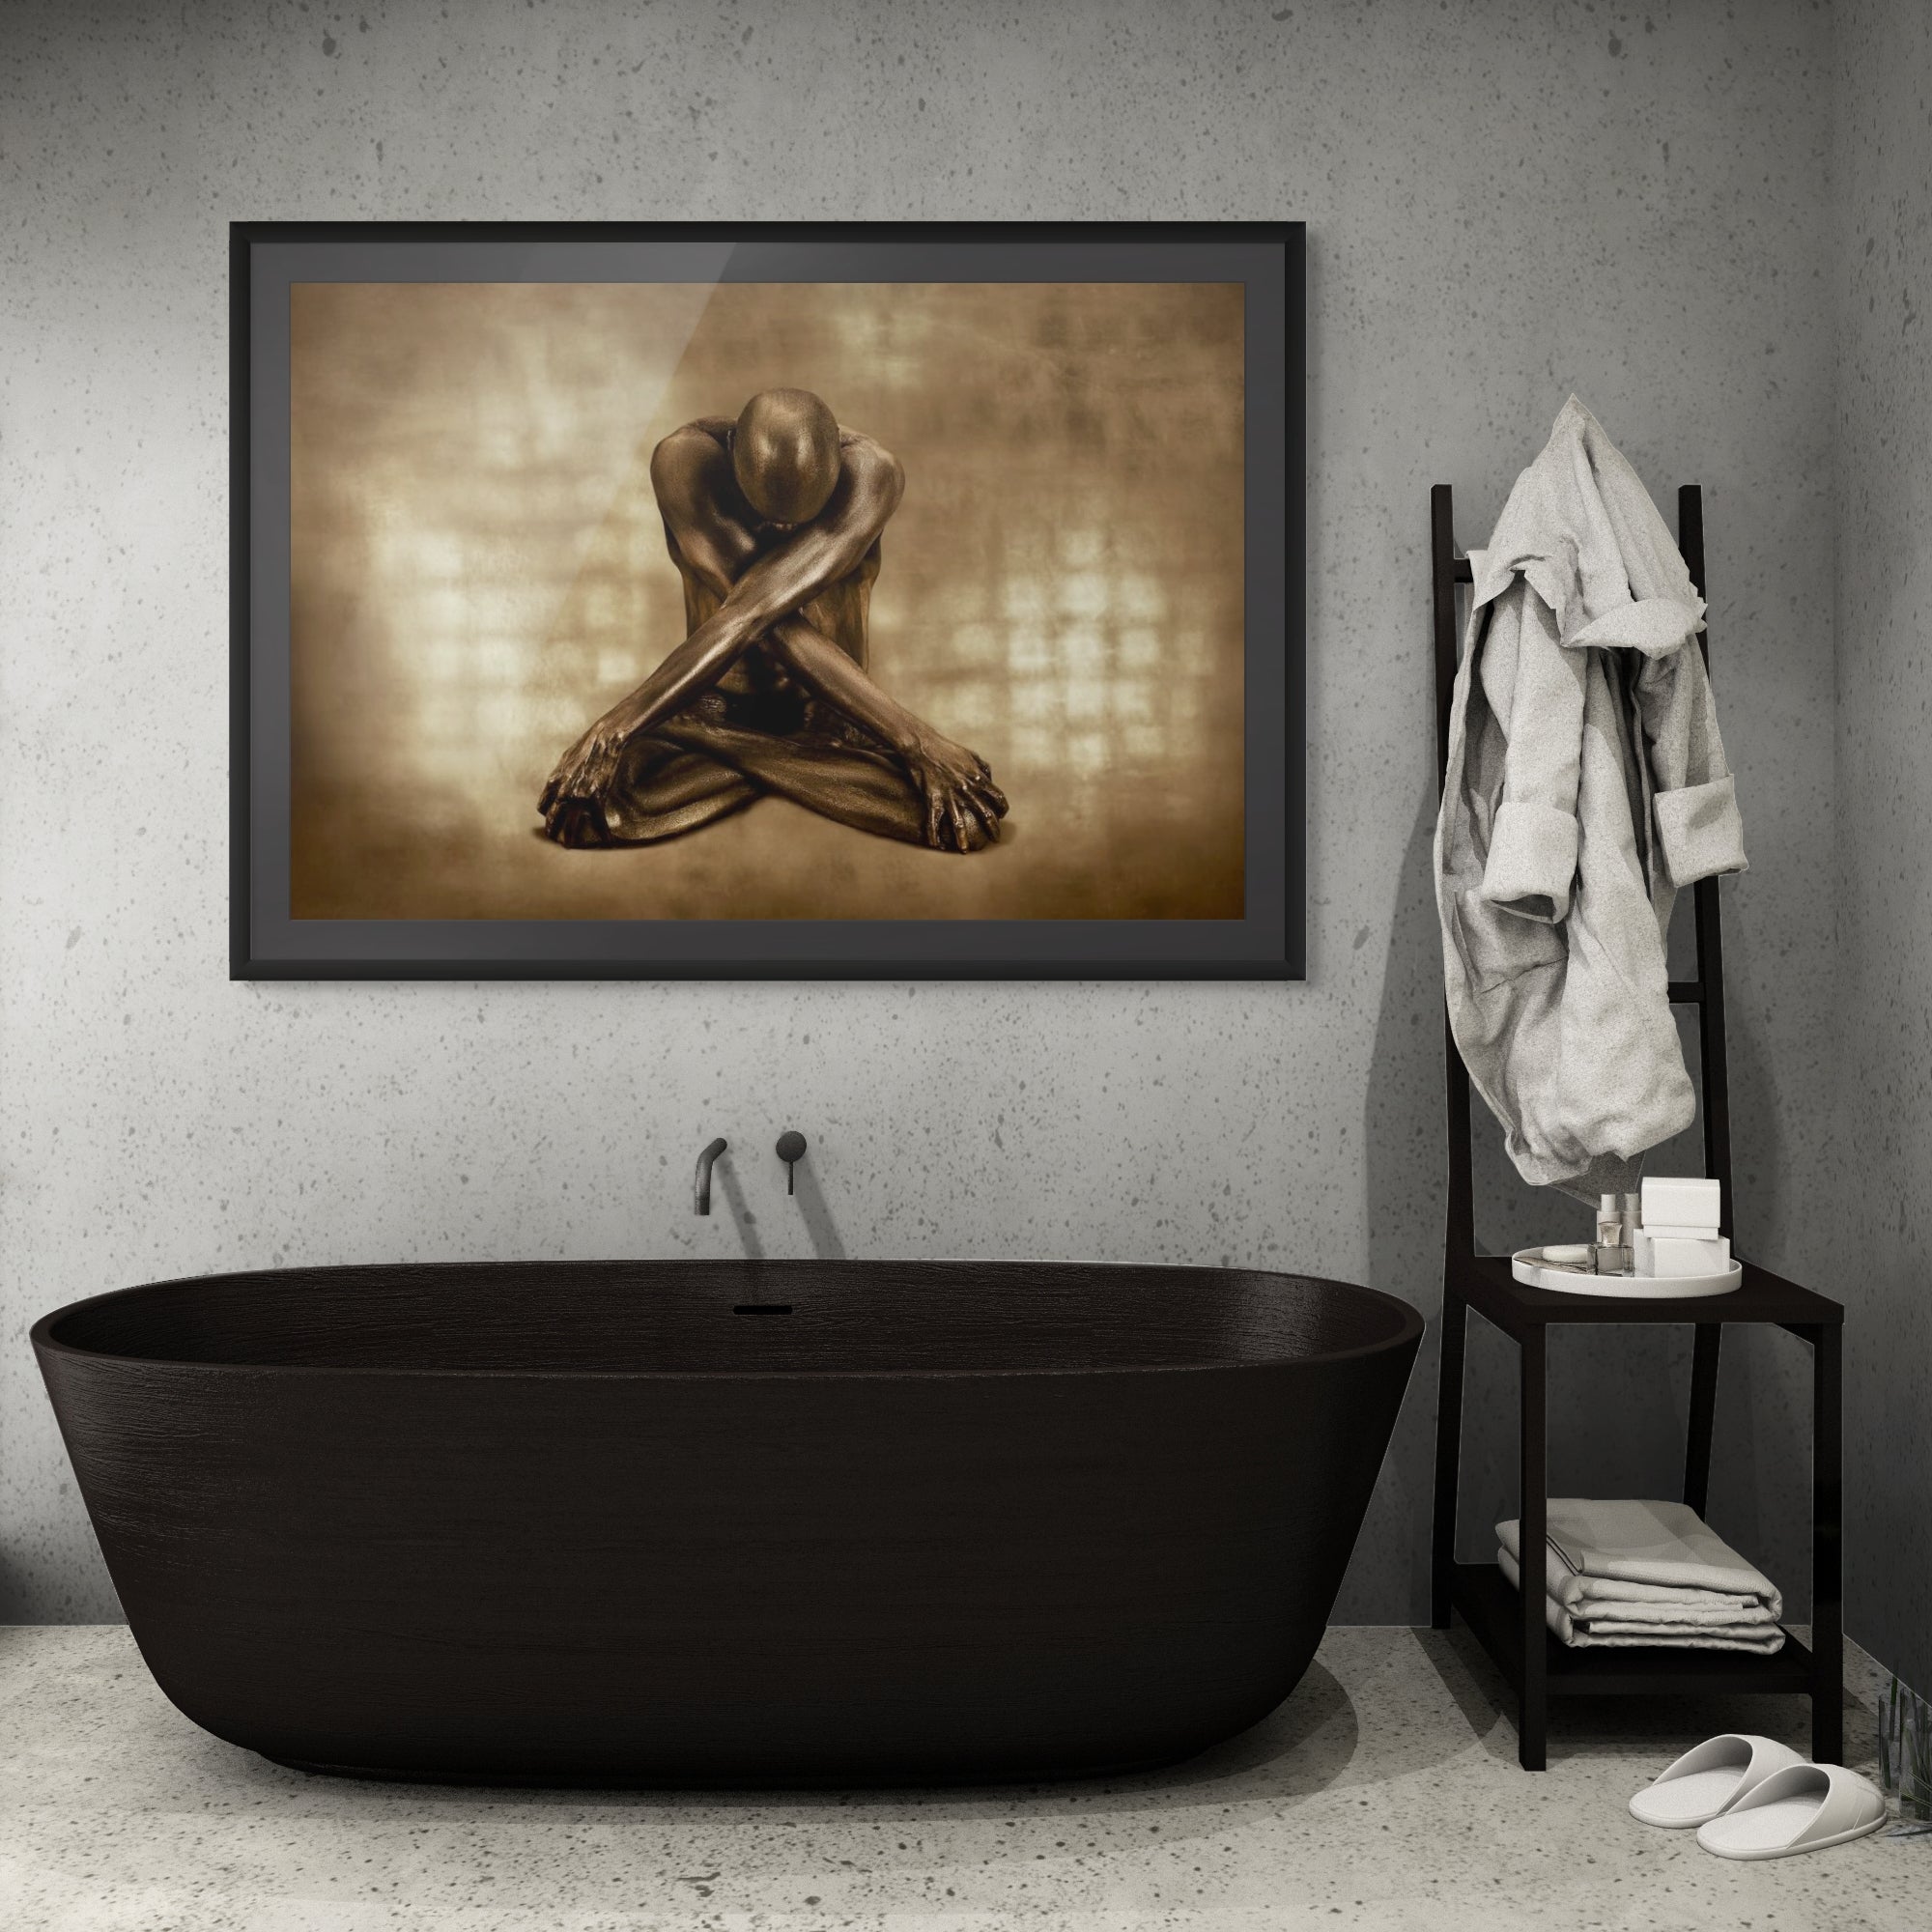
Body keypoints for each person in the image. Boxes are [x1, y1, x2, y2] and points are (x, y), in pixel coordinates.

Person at [538, 388, 1008, 853]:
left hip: (837, 711)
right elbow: (753, 615)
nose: (784, 534)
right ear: (731, 453)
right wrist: (913, 738)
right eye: (767, 519)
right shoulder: (685, 462)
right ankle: (760, 749)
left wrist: (618, 726)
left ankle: (707, 741)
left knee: (962, 815)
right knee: (584, 813)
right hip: (717, 700)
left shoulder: (872, 472)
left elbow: (759, 611)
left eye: (802, 523)